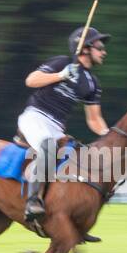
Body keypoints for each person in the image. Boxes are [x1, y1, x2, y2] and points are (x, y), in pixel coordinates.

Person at [18, 26, 111, 221]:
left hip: (57, 128)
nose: (104, 52)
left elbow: (94, 118)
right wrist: (61, 75)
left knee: (81, 159)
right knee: (49, 148)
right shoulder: (62, 62)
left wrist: (108, 135)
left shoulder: (92, 83)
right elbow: (31, 80)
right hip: (35, 117)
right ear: (84, 48)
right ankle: (32, 202)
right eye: (100, 47)